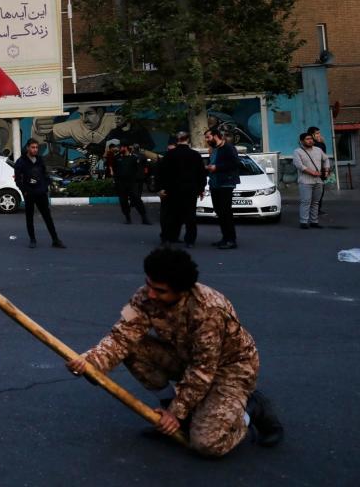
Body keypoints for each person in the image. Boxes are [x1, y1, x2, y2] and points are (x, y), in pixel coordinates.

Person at [65, 247, 283, 455]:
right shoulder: (144, 297)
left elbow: (202, 370)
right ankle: (172, 407)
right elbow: (122, 336)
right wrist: (91, 363)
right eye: (148, 284)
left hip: (230, 370)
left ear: (182, 290)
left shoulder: (208, 311)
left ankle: (250, 411)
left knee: (207, 444)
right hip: (187, 357)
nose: (150, 294)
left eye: (160, 290)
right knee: (133, 347)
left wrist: (175, 413)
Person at [157, 132, 207, 247]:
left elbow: (162, 173)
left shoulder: (170, 155)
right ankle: (190, 240)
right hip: (190, 190)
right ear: (188, 140)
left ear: (177, 140)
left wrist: (161, 188)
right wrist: (201, 188)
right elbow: (201, 173)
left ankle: (168, 238)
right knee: (190, 216)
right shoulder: (195, 155)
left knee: (171, 215)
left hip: (172, 190)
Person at [13, 139, 64, 249]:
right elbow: (17, 180)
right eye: (33, 147)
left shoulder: (40, 160)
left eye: (36, 147)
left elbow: (45, 174)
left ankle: (55, 240)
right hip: (29, 194)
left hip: (41, 193)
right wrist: (25, 191)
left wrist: (45, 186)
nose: (35, 149)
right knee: (29, 218)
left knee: (47, 217)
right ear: (28, 148)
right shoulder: (21, 162)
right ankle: (32, 240)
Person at [204, 127, 242, 249]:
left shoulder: (228, 147)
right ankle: (225, 238)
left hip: (226, 183)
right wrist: (210, 167)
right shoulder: (215, 149)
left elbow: (235, 163)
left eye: (208, 137)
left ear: (216, 136)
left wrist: (217, 168)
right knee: (219, 211)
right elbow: (214, 163)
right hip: (215, 184)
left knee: (226, 212)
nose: (206, 140)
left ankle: (231, 240)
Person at [292, 131, 328, 229]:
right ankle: (303, 222)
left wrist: (327, 170)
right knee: (306, 202)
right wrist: (312, 172)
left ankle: (314, 222)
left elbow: (326, 159)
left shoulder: (318, 150)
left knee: (316, 202)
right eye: (307, 139)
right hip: (305, 181)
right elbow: (299, 166)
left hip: (318, 181)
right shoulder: (297, 152)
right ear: (301, 141)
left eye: (311, 139)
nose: (310, 141)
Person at [112, 143, 151, 226]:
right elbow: (115, 170)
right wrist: (116, 182)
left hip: (132, 183)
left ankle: (144, 218)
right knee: (123, 201)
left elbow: (138, 170)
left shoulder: (134, 158)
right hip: (121, 184)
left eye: (121, 147)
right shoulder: (117, 158)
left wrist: (136, 179)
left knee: (137, 200)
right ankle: (128, 218)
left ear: (125, 147)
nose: (119, 149)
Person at [306, 126, 331, 219]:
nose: (319, 135)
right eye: (317, 133)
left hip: (317, 170)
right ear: (312, 135)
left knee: (317, 190)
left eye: (319, 133)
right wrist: (322, 143)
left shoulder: (313, 144)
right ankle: (316, 210)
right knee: (318, 191)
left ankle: (314, 209)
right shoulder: (317, 144)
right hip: (317, 170)